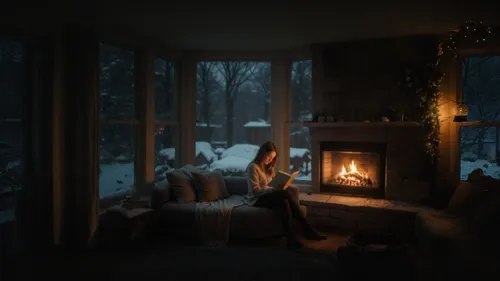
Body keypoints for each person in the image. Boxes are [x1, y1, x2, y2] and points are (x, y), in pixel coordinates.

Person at [245, 141, 326, 249]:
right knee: (283, 195)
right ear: (262, 153)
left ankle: (291, 239)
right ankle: (307, 230)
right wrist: (273, 189)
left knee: (284, 202)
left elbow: (272, 186)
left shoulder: (268, 168)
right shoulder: (253, 167)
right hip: (256, 199)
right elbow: (255, 190)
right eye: (268, 156)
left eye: (272, 158)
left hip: (270, 197)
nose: (270, 160)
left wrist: (280, 185)